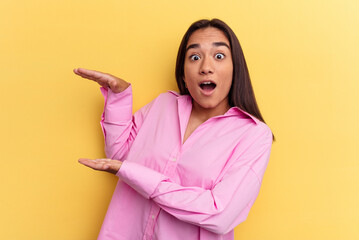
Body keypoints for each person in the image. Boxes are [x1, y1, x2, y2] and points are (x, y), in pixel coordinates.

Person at [74, 18, 273, 240]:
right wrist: (118, 97)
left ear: (235, 70)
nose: (206, 67)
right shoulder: (164, 105)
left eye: (219, 56)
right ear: (184, 75)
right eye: (195, 57)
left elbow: (219, 213)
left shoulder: (253, 135)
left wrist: (148, 183)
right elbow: (120, 157)